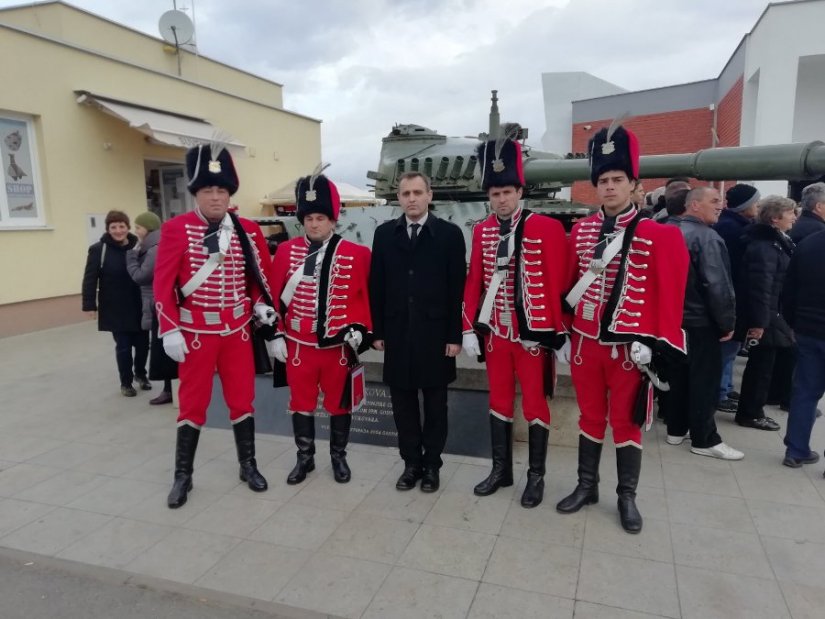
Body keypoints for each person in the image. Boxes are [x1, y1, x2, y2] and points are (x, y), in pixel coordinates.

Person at [556, 124, 688, 533]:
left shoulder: (657, 235)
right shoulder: (579, 232)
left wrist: (654, 340)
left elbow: (670, 294)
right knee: (590, 417)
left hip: (629, 350)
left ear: (635, 185)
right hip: (584, 345)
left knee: (626, 423)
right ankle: (586, 485)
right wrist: (562, 331)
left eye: (617, 180)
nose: (609, 187)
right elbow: (566, 283)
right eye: (603, 181)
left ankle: (626, 496)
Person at [153, 143, 277, 508]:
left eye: (221, 190)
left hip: (237, 333)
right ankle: (183, 477)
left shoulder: (248, 230)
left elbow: (256, 280)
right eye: (208, 190)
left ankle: (248, 466)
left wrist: (260, 307)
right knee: (192, 405)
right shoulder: (176, 229)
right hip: (195, 334)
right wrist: (169, 327)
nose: (216, 197)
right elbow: (162, 284)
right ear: (196, 193)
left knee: (243, 401)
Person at [462, 133, 568, 509]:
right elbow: (474, 282)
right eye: (495, 193)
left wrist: (559, 333)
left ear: (519, 191)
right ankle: (501, 470)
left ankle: (535, 477)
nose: (501, 199)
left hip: (532, 338)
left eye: (507, 191)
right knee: (500, 401)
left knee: (536, 405)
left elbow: (561, 282)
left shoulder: (547, 228)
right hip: (495, 337)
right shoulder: (481, 231)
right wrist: (468, 327)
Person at [269, 168, 372, 486]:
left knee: (339, 405)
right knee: (300, 403)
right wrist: (274, 334)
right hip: (298, 346)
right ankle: (305, 458)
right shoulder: (286, 252)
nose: (314, 223)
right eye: (309, 217)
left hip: (336, 349)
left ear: (333, 219)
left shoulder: (357, 255)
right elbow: (273, 295)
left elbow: (366, 300)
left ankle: (338, 458)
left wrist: (362, 331)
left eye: (321, 217)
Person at [370, 172, 465, 492]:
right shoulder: (384, 234)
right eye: (405, 193)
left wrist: (455, 335)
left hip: (436, 334)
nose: (411, 198)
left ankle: (432, 465)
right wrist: (377, 331)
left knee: (436, 405)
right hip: (397, 332)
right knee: (403, 405)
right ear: (398, 198)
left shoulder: (449, 235)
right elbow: (377, 286)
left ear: (429, 195)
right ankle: (411, 463)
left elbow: (457, 290)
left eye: (417, 192)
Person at [666, 187, 743, 459]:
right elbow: (717, 285)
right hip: (700, 321)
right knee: (704, 381)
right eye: (714, 201)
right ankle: (704, 439)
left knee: (678, 377)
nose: (720, 205)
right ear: (695, 205)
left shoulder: (668, 231)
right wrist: (727, 323)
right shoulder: (707, 237)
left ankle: (676, 430)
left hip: (673, 321)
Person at [734, 196, 797, 431]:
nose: (794, 217)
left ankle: (754, 408)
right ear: (774, 218)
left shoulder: (776, 242)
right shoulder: (764, 246)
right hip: (767, 314)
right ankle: (750, 412)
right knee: (760, 365)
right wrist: (759, 322)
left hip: (772, 312)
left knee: (765, 364)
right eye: (790, 213)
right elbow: (761, 287)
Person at [82, 210, 149, 397]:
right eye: (114, 227)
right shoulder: (99, 250)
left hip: (138, 305)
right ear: (108, 229)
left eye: (122, 226)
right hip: (115, 307)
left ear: (128, 228)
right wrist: (89, 305)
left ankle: (141, 374)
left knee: (143, 345)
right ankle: (126, 382)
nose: (118, 230)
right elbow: (89, 279)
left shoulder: (139, 246)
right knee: (124, 346)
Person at [713, 183, 760, 413]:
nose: (758, 207)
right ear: (745, 206)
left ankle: (726, 386)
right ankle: (720, 391)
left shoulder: (736, 226)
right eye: (755, 203)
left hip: (733, 295)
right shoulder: (734, 229)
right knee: (728, 348)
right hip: (733, 296)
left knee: (731, 348)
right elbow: (734, 268)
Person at [782, 229, 825, 467]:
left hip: (808, 327)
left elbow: (789, 287)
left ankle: (796, 450)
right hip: (809, 325)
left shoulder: (809, 243)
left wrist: (793, 322)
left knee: (805, 392)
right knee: (805, 392)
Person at [125, 211, 178, 405]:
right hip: (156, 302)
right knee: (162, 348)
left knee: (162, 349)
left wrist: (130, 257)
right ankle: (169, 388)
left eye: (138, 227)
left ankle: (169, 390)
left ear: (147, 228)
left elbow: (141, 276)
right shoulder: (151, 245)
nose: (135, 231)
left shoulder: (154, 248)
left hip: (158, 304)